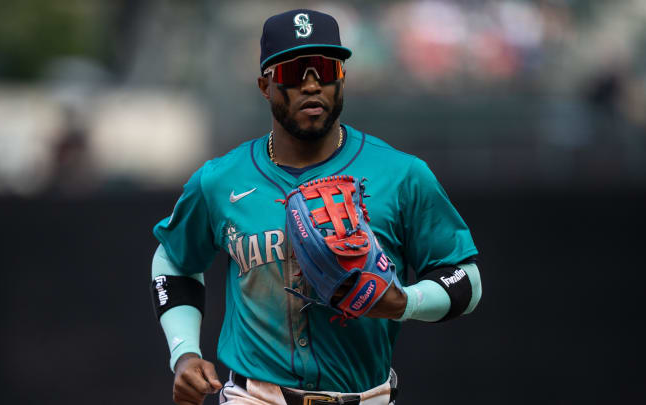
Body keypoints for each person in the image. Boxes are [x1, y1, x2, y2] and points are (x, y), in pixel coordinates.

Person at [151, 9, 482, 405]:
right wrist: (184, 352)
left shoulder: (402, 174)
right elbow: (174, 261)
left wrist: (406, 303)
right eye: (294, 72)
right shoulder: (221, 180)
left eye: (326, 69)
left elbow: (466, 279)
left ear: (342, 78)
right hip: (255, 397)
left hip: (368, 395)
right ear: (265, 85)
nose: (313, 85)